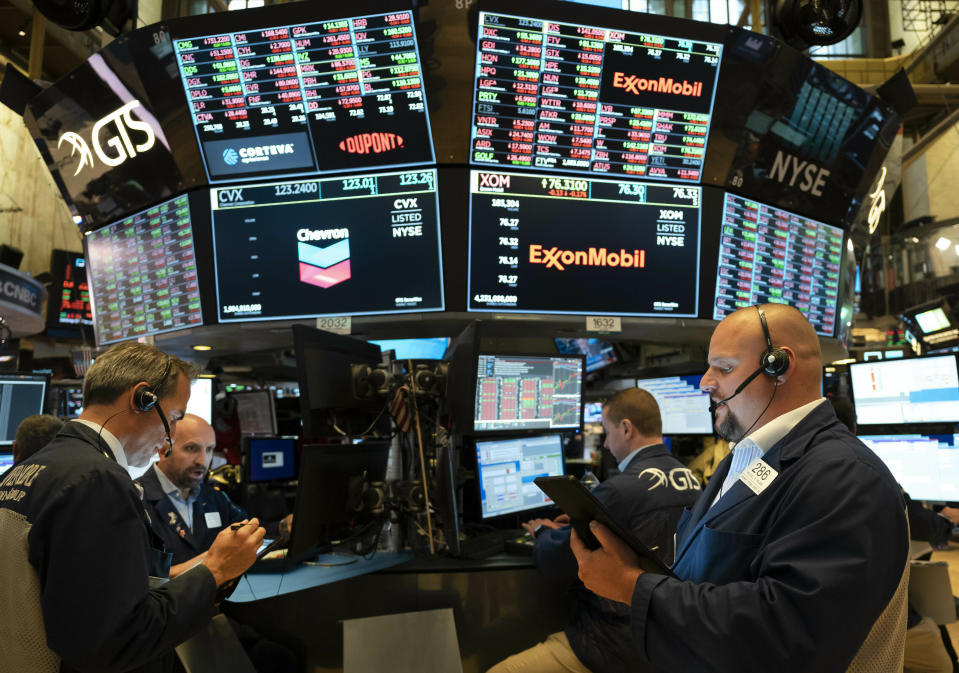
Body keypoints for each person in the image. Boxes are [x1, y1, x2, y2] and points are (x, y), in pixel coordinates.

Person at [570, 304, 910, 672]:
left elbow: (789, 634)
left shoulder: (844, 477)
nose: (705, 382)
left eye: (725, 368)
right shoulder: (746, 457)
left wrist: (632, 587)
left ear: (779, 367)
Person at [0, 341, 264, 673]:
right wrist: (215, 572)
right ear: (142, 398)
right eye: (174, 417)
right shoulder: (99, 480)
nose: (169, 440)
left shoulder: (26, 470)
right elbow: (115, 641)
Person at [488, 388, 703, 673]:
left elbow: (557, 560)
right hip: (672, 643)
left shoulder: (619, 490)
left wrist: (542, 533)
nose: (605, 445)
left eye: (607, 432)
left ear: (626, 429)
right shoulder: (693, 480)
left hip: (616, 644)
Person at [828, 395, 959, 673]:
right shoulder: (869, 471)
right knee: (944, 664)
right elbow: (918, 521)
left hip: (820, 616)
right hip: (872, 613)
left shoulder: (793, 469)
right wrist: (948, 523)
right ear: (853, 430)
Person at [136, 413, 292, 575]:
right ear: (163, 449)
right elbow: (141, 579)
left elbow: (247, 530)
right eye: (191, 448)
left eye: (209, 449)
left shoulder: (212, 496)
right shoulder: (135, 499)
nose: (203, 461)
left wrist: (283, 528)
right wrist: (214, 559)